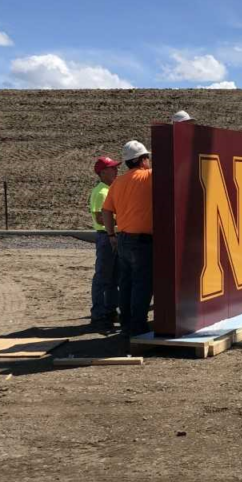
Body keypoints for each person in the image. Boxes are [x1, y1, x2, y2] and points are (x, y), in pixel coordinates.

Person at [102, 140, 154, 338]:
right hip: (143, 242)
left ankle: (126, 323)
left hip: (123, 239)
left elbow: (106, 211)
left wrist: (111, 235)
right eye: (147, 157)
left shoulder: (118, 183)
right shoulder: (150, 176)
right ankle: (138, 326)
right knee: (142, 283)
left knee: (126, 283)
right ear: (142, 160)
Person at [89, 156, 120, 329]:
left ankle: (109, 310)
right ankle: (99, 313)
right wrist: (123, 220)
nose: (116, 171)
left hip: (109, 235)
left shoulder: (108, 190)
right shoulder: (101, 192)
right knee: (102, 276)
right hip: (106, 236)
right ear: (102, 173)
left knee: (113, 276)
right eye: (112, 168)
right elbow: (100, 218)